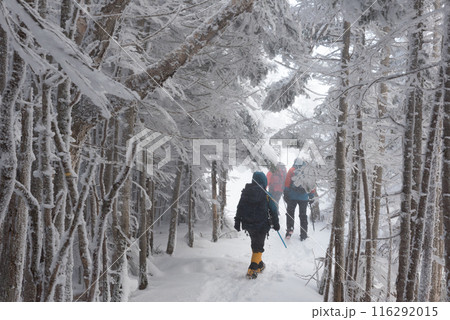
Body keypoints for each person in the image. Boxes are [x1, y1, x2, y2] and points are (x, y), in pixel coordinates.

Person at [234, 172, 280, 279]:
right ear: (264, 182)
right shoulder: (266, 195)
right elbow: (273, 210)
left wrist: (237, 221)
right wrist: (276, 224)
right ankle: (252, 269)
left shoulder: (245, 193)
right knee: (258, 246)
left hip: (248, 224)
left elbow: (240, 207)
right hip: (261, 225)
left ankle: (259, 265)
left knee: (255, 244)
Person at [283, 158, 316, 240]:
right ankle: (303, 234)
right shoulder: (308, 171)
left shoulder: (292, 170)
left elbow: (287, 183)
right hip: (303, 198)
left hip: (292, 196)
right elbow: (311, 185)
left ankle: (289, 230)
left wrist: (286, 193)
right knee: (303, 215)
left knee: (290, 213)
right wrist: (311, 196)